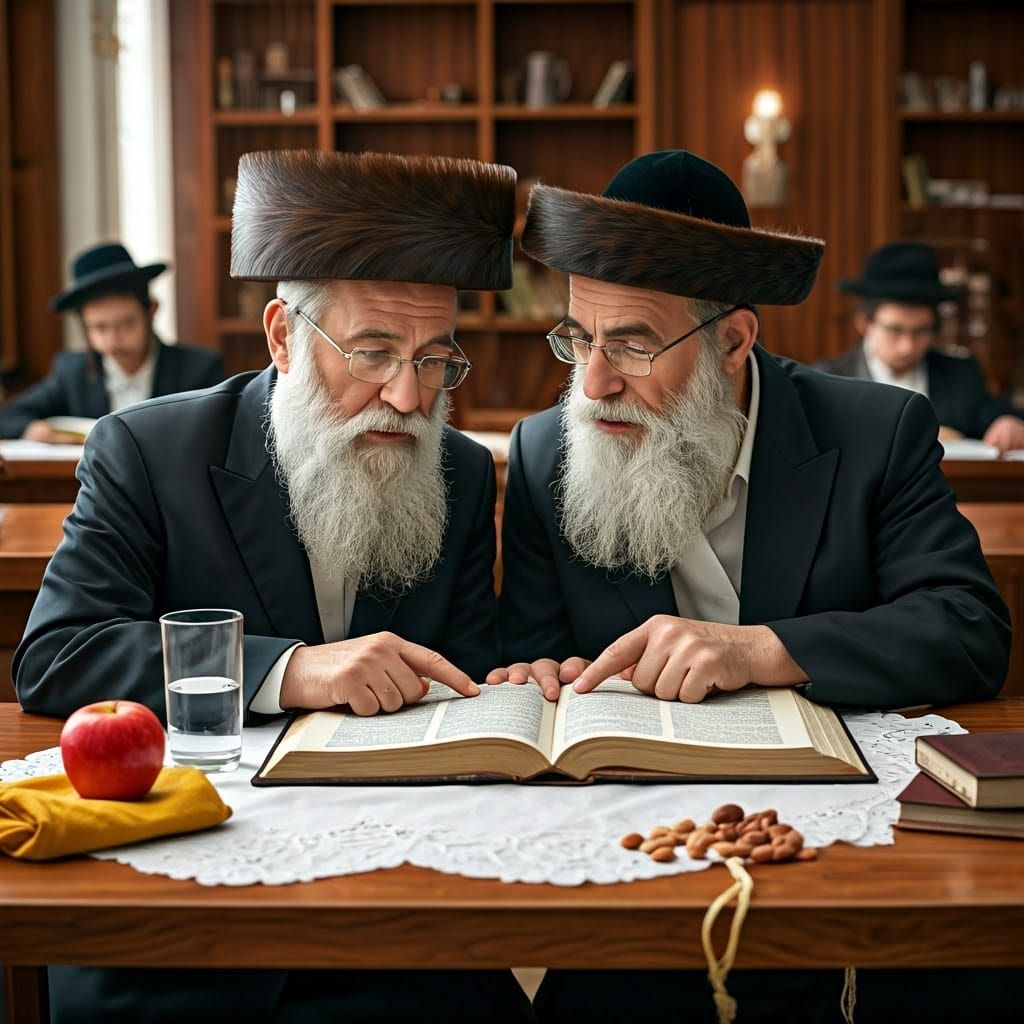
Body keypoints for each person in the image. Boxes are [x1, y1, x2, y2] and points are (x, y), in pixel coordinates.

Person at [489, 150, 1013, 1022]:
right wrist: (533, 679)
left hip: (839, 868)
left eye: (633, 342)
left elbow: (967, 629)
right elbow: (534, 656)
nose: (593, 381)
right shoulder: (549, 451)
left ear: (734, 341)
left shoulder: (876, 431)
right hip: (638, 863)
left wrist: (764, 648)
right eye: (580, 337)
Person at [15, 150, 533, 1024]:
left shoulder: (459, 470)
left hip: (395, 916)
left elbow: (468, 672)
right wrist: (291, 671)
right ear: (283, 336)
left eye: (436, 359)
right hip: (187, 923)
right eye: (373, 353)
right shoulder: (149, 452)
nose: (409, 397)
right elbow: (58, 655)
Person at [0, 242, 224, 440]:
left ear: (151, 310)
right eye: (99, 328)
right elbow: (8, 417)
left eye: (126, 324)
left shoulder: (198, 369)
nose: (113, 339)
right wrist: (33, 430)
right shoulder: (72, 374)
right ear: (85, 327)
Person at [817, 240, 1024, 453]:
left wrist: (1007, 423)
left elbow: (998, 414)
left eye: (921, 331)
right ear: (864, 323)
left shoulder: (961, 376)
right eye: (895, 330)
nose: (907, 347)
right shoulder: (827, 380)